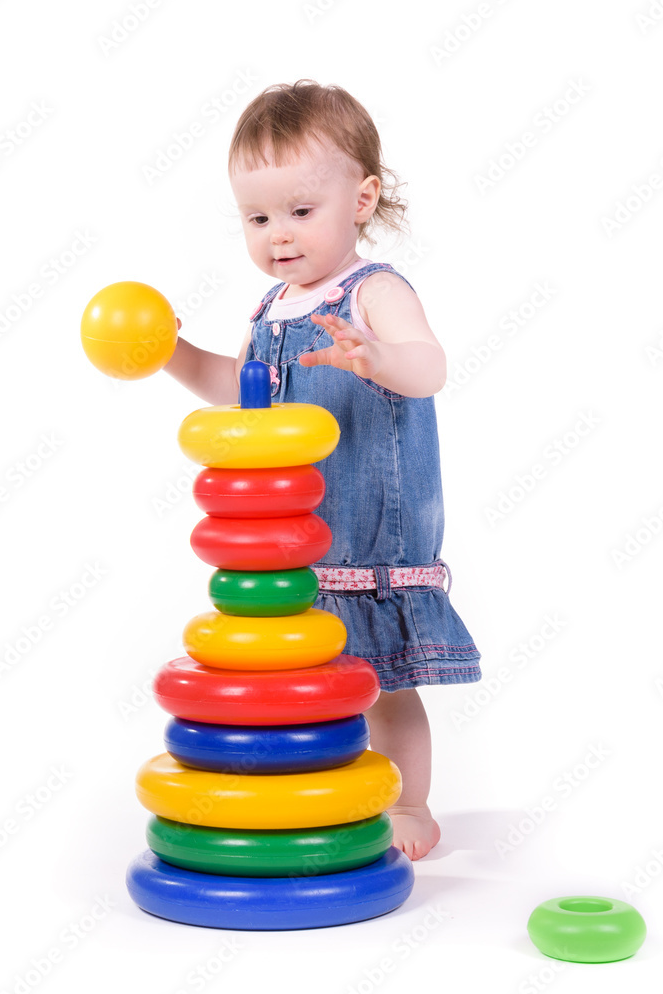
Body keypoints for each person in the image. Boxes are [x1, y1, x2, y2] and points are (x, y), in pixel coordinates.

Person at [163, 79, 481, 860]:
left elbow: (430, 366)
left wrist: (377, 356)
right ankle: (314, 795)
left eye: (301, 211)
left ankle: (412, 806)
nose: (279, 234)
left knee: (386, 683)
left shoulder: (373, 294)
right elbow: (235, 392)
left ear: (363, 198)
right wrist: (172, 354)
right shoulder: (269, 308)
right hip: (286, 551)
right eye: (258, 216)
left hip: (366, 540)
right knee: (305, 685)